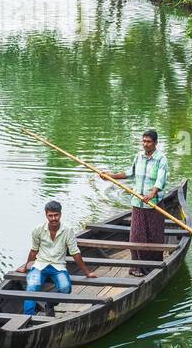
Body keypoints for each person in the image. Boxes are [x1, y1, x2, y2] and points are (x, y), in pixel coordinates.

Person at [105, 129, 169, 274]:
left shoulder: (161, 159)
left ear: (155, 143)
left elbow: (161, 179)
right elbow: (130, 173)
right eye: (144, 141)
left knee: (153, 235)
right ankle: (136, 267)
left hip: (153, 204)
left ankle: (152, 267)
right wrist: (111, 176)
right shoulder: (138, 156)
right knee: (136, 235)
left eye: (149, 142)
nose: (145, 144)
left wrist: (152, 193)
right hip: (138, 203)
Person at [18, 201, 96, 314]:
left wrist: (87, 273)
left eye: (56, 215)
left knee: (65, 289)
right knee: (31, 288)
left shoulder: (67, 231)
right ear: (46, 215)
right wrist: (25, 268)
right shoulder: (38, 230)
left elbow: (75, 253)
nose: (54, 218)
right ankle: (27, 318)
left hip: (58, 266)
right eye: (50, 215)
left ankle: (49, 303)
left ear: (60, 214)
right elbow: (33, 251)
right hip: (40, 265)